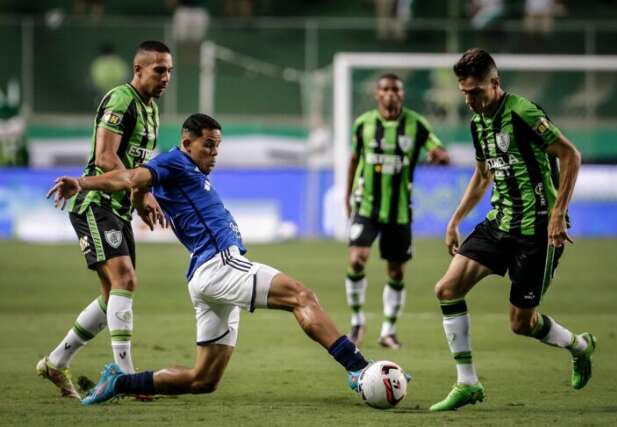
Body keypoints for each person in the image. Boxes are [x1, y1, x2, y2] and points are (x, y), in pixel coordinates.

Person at [46, 113, 375, 404]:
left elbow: (139, 185)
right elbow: (129, 177)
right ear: (187, 142)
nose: (214, 154)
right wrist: (81, 182)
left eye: (217, 147)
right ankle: (358, 368)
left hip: (207, 276)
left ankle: (118, 383)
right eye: (208, 146)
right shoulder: (173, 162)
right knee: (301, 296)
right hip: (220, 264)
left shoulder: (183, 168)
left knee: (203, 381)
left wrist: (142, 197)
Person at [428, 48, 596, 412]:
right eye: (465, 93)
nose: (470, 100)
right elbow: (483, 174)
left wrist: (557, 214)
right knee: (447, 289)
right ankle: (468, 383)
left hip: (538, 232)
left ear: (495, 83)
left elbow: (571, 156)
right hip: (499, 223)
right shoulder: (478, 124)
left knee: (521, 324)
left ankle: (579, 346)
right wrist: (454, 220)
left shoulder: (523, 113)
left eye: (477, 91)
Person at [36, 40, 173, 399]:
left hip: (119, 210)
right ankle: (125, 378)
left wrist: (139, 198)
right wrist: (141, 193)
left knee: (114, 291)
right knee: (125, 278)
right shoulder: (121, 100)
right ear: (138, 69)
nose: (166, 77)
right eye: (159, 70)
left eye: (170, 70)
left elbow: (138, 169)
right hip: (96, 203)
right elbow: (106, 158)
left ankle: (55, 361)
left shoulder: (152, 109)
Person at [345, 73, 449, 350]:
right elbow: (354, 160)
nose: (390, 93)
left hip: (399, 210)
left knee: (396, 272)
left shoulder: (416, 124)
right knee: (357, 258)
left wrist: (440, 156)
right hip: (366, 204)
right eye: (385, 89)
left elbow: (439, 150)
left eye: (396, 89)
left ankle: (388, 332)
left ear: (402, 95)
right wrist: (347, 195)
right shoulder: (363, 124)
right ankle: (357, 321)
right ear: (377, 94)